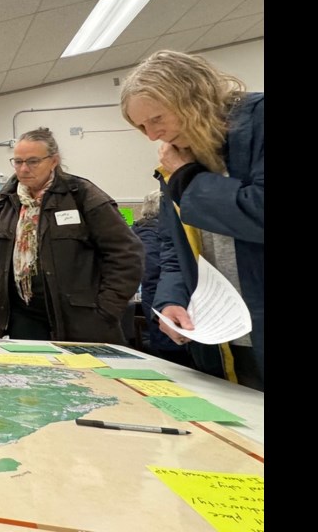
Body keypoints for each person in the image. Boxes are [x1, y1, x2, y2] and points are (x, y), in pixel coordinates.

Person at [121, 49, 263, 390]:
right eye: (142, 127)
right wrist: (172, 300)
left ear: (191, 96)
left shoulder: (258, 121)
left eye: (156, 119)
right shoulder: (179, 159)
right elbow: (175, 247)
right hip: (223, 340)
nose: (153, 136)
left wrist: (186, 177)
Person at [0, 128, 143, 343]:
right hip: (22, 319)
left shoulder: (83, 196)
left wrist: (106, 310)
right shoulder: (7, 202)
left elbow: (127, 254)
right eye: (18, 161)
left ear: (53, 161)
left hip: (81, 322)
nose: (23, 169)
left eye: (32, 161)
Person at [132, 191, 192, 367]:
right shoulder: (152, 235)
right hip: (167, 316)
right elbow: (153, 276)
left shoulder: (139, 232)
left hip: (161, 311)